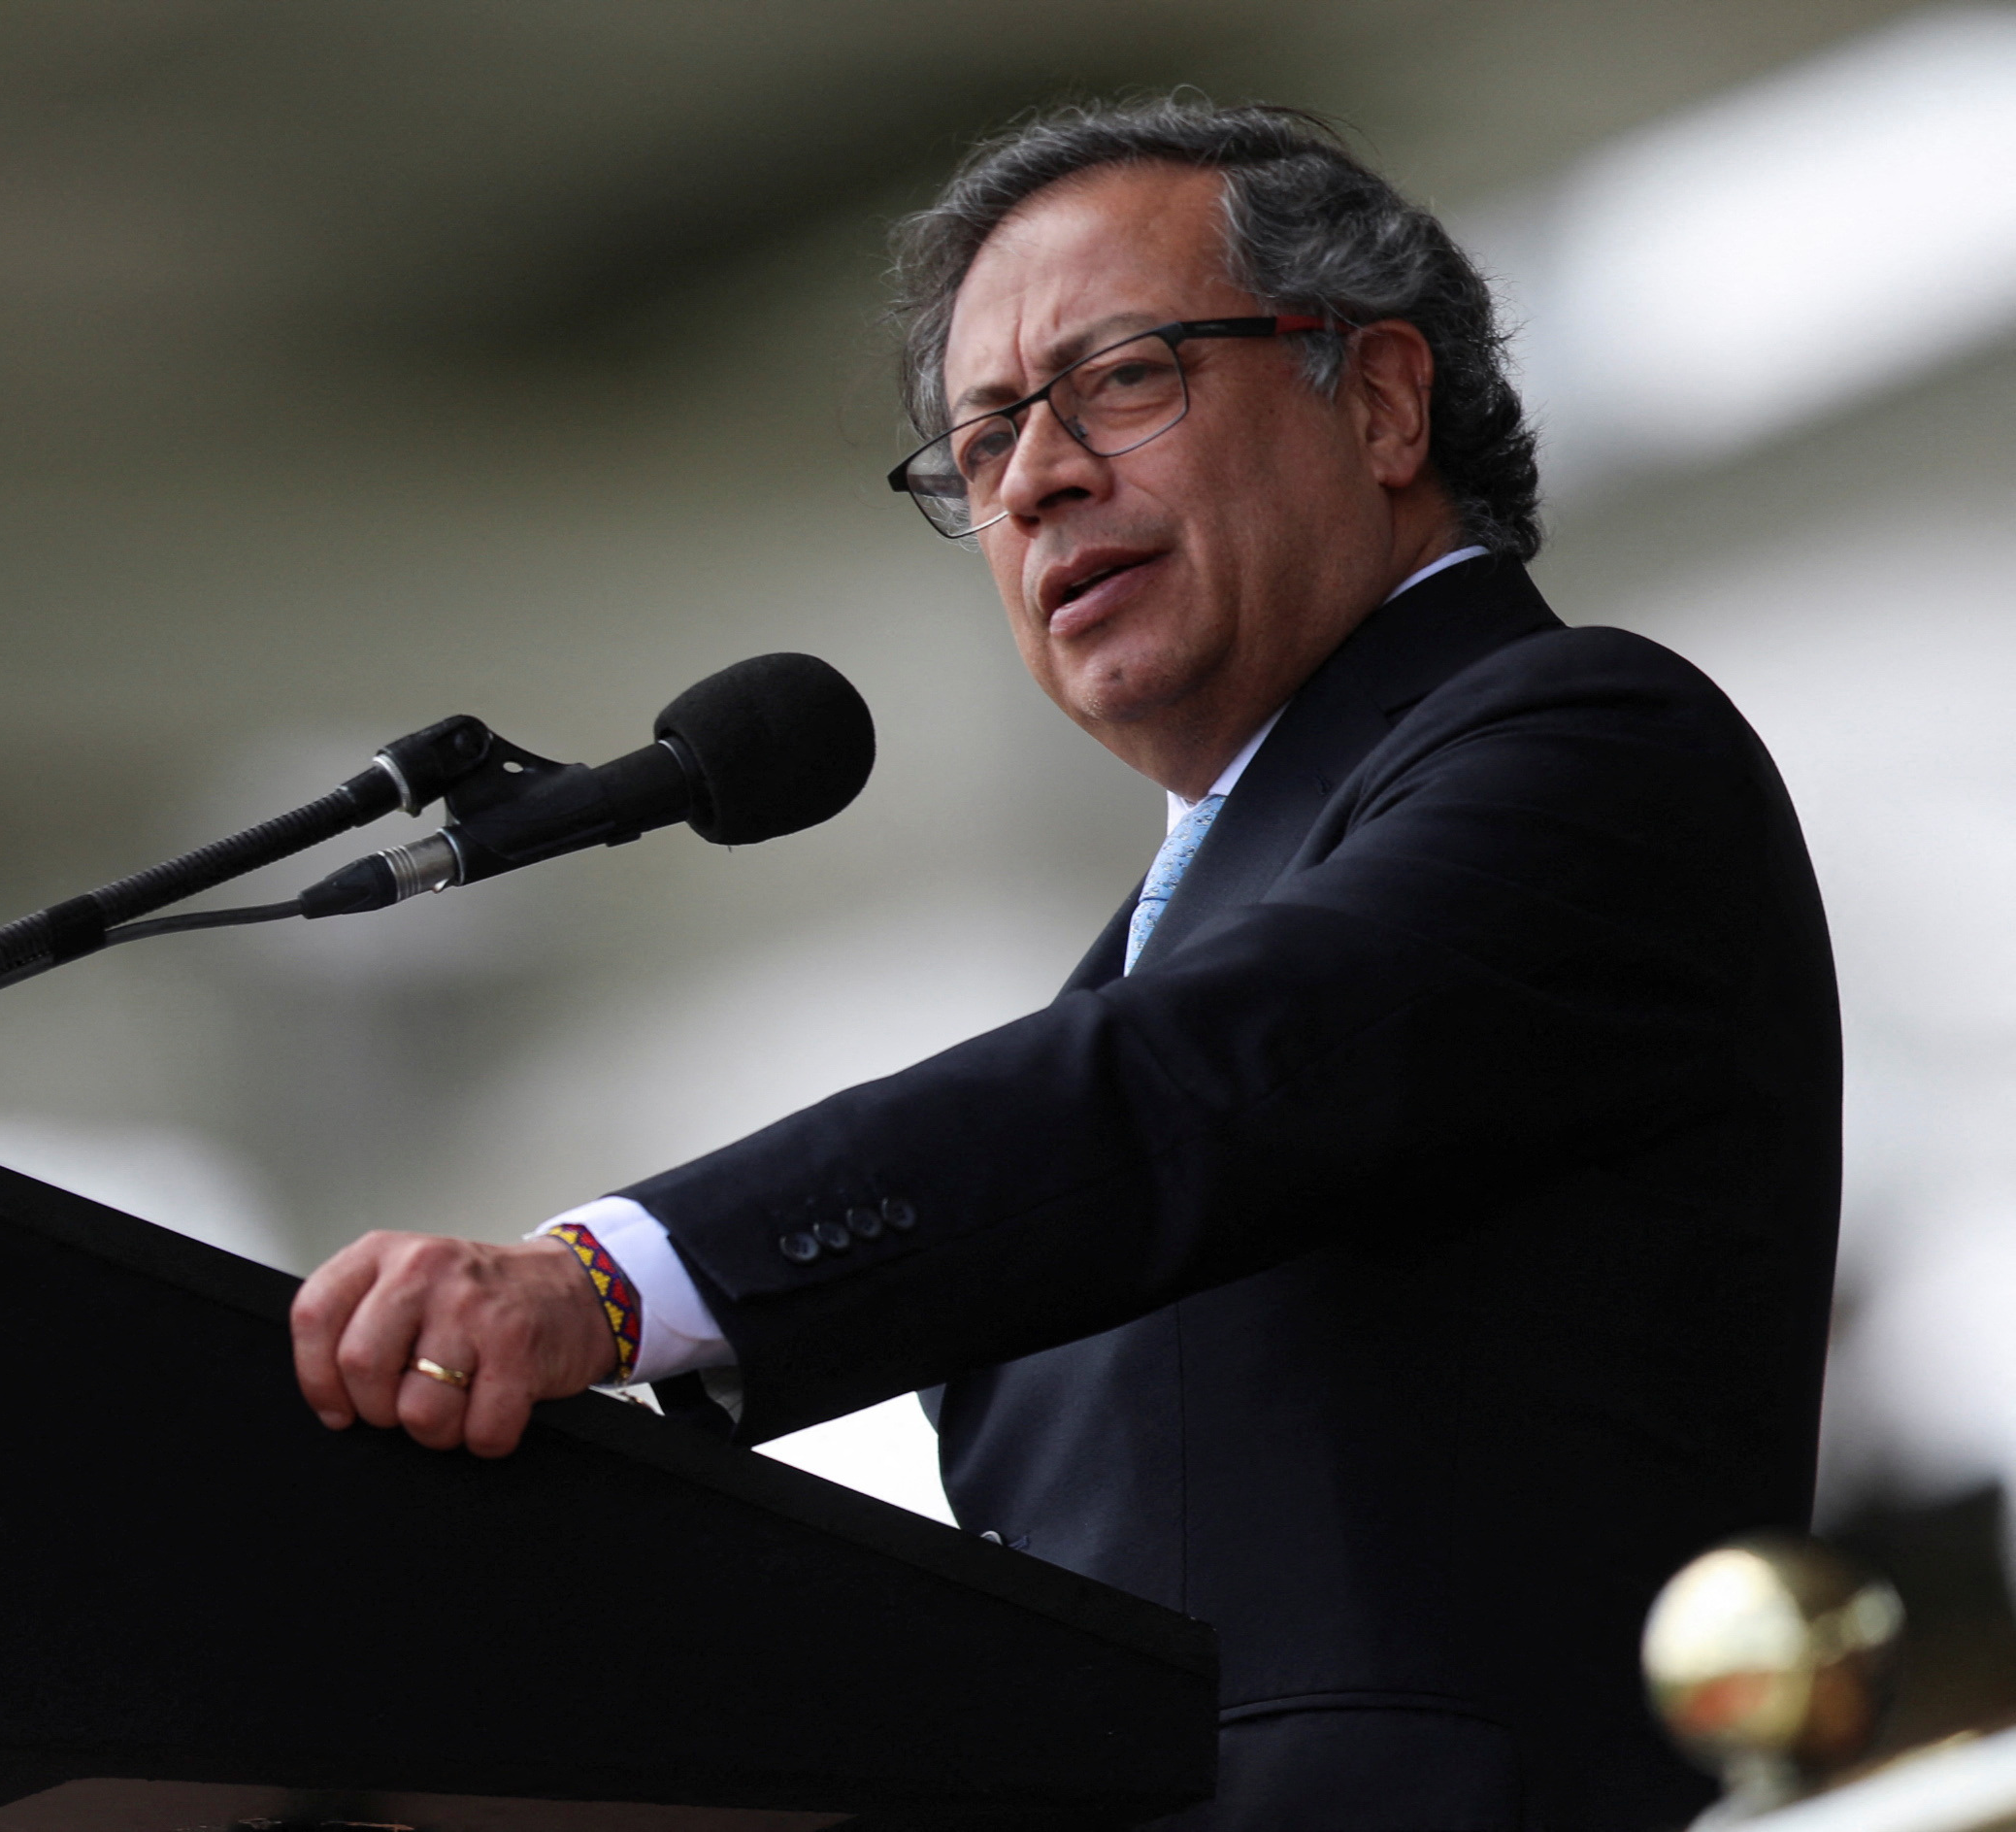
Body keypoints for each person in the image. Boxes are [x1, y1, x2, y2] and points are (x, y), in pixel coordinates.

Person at [289, 99, 1838, 1832]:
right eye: (984, 439)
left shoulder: (1584, 746)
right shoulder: (1142, 964)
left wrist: (607, 1280)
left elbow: (1206, 1087)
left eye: (1121, 379)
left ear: (1384, 399)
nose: (1036, 478)